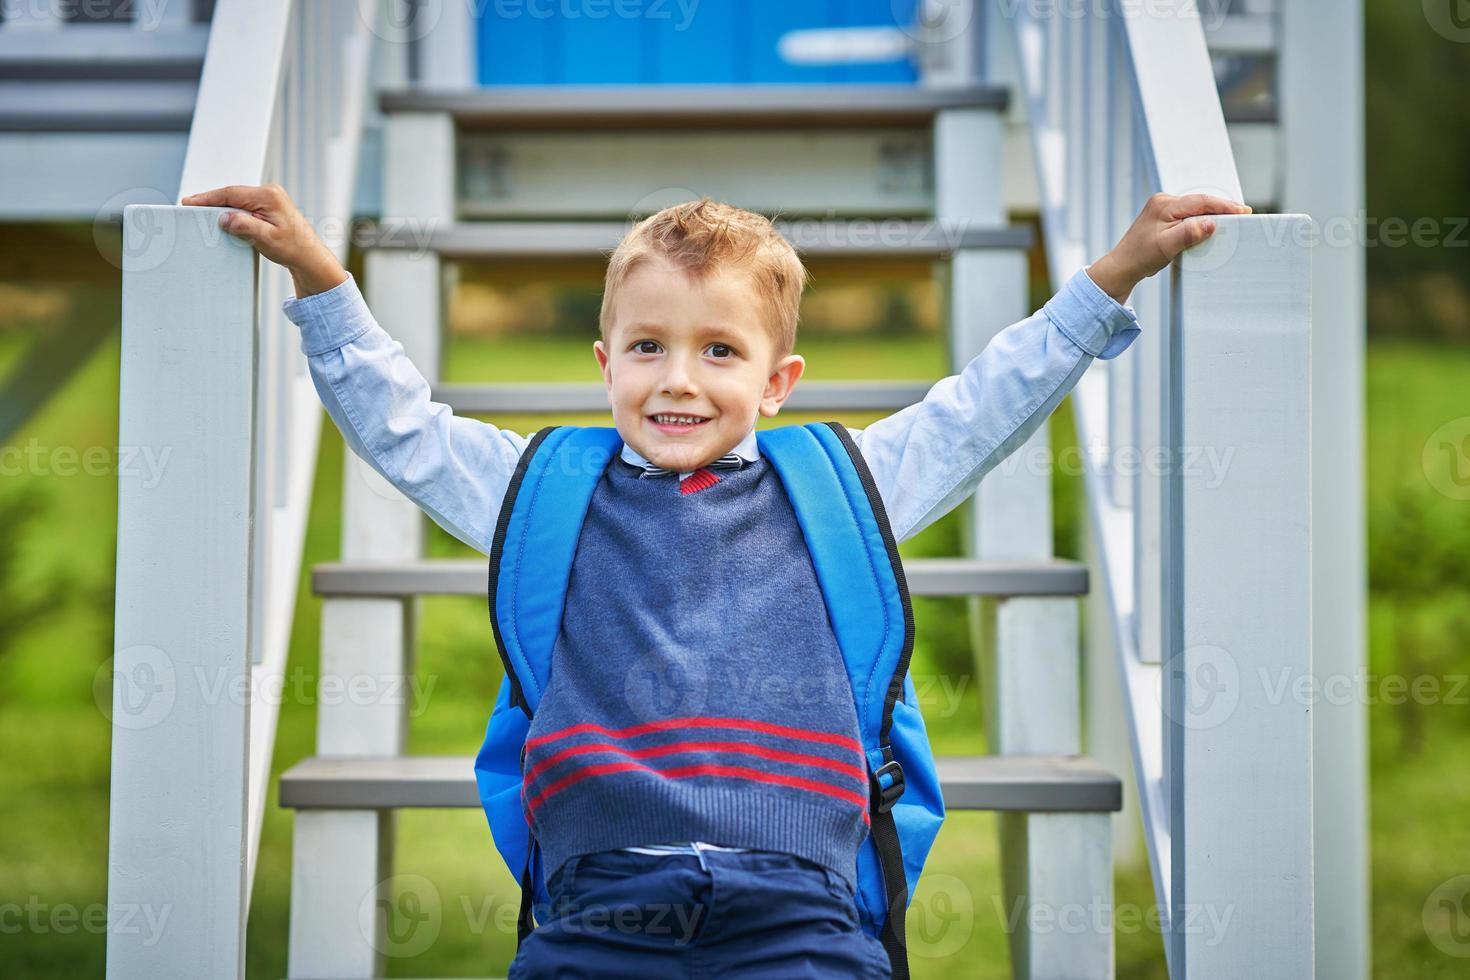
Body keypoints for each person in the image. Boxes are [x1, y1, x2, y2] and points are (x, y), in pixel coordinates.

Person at [182, 184, 1249, 977]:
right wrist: (322, 282)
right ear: (604, 362)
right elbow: (403, 428)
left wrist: (1113, 274)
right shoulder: (545, 489)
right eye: (647, 345)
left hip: (802, 906)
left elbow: (983, 404)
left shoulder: (843, 484)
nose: (678, 378)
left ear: (778, 381)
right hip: (600, 901)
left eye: (720, 351)